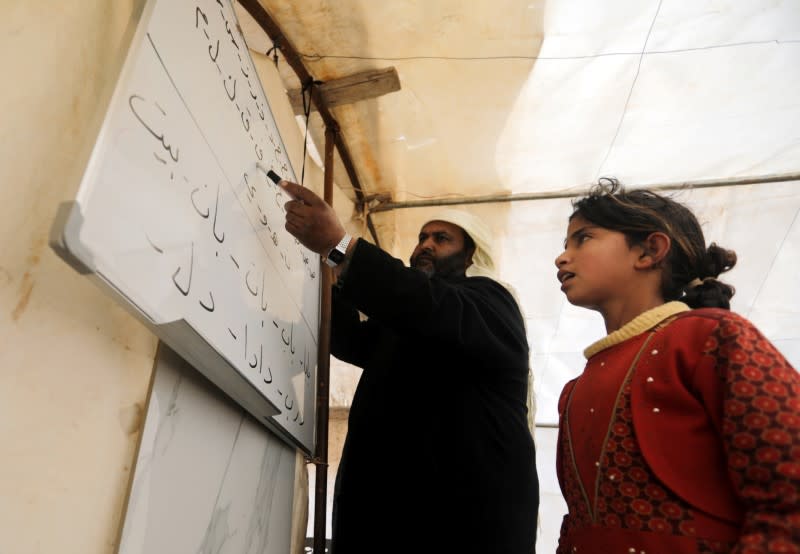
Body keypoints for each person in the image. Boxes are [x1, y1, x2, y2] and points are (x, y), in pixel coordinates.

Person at [280, 179, 539, 554]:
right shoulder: (410, 322)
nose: (426, 245)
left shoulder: (488, 302)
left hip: (455, 524)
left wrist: (339, 246)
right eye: (422, 237)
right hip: (388, 517)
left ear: (470, 257)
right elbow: (351, 341)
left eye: (441, 238)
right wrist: (332, 277)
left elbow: (422, 303)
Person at [553, 178, 800, 553]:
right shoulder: (575, 388)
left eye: (583, 238)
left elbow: (790, 491)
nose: (562, 257)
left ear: (650, 250)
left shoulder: (713, 339)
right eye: (565, 244)